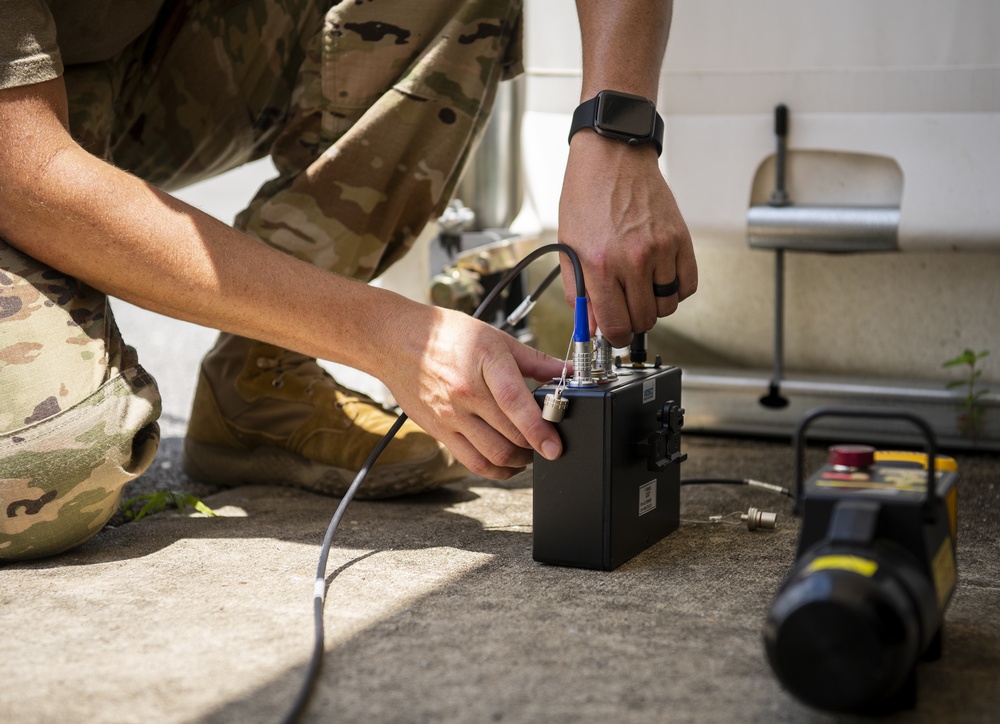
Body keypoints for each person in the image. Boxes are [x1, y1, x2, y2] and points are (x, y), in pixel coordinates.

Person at [0, 0, 696, 562]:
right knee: (57, 462)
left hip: (136, 52)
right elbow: (22, 174)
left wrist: (617, 133)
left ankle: (260, 383)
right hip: (18, 131)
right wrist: (387, 334)